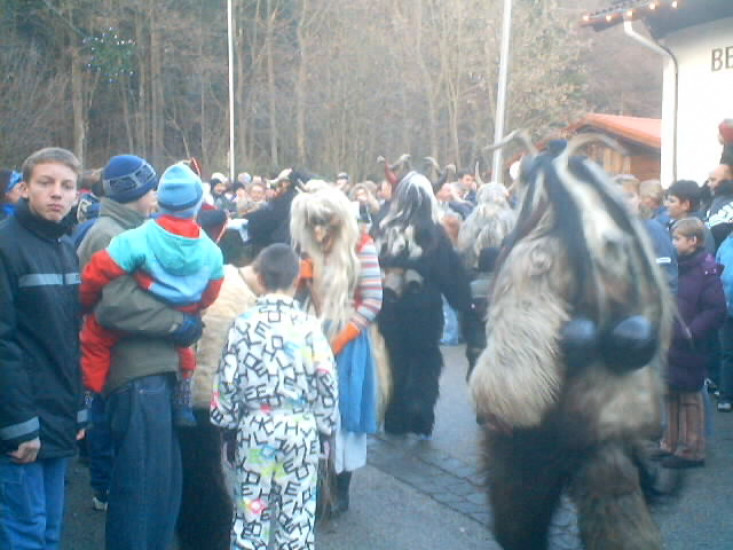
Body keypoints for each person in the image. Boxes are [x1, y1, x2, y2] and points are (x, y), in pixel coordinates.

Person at [77, 154, 204, 550]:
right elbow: (115, 305)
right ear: (136, 191)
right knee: (142, 489)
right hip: (136, 374)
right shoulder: (109, 234)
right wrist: (178, 323)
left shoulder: (131, 231)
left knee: (161, 488)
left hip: (150, 371)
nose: (156, 196)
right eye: (152, 188)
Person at [211, 243, 338, 550]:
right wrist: (325, 427)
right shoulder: (310, 327)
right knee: (296, 517)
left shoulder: (243, 325)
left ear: (260, 278)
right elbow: (326, 380)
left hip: (255, 428)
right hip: (300, 428)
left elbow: (227, 379)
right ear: (297, 281)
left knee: (250, 516)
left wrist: (227, 426)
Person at [80, 163, 224, 426]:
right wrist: (196, 308)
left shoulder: (137, 237)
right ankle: (182, 402)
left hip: (150, 316)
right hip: (170, 325)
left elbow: (100, 269)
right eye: (150, 189)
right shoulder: (210, 248)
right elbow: (214, 284)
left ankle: (90, 394)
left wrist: (85, 298)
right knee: (186, 351)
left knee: (94, 339)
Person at [0, 147, 86, 549]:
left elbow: (69, 336)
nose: (57, 193)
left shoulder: (65, 247)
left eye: (66, 186)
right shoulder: (6, 246)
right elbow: (3, 343)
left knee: (50, 529)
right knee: (24, 532)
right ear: (24, 189)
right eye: (46, 183)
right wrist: (19, 423)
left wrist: (77, 407)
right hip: (21, 419)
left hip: (57, 412)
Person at [290, 184, 383, 516]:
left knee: (344, 414)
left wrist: (342, 338)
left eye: (324, 224)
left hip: (347, 340)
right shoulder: (308, 248)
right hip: (310, 336)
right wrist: (299, 281)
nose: (318, 232)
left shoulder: (362, 247)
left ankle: (339, 490)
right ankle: (314, 486)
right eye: (313, 224)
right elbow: (292, 298)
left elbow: (373, 300)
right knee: (308, 412)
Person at [376, 171, 471, 438]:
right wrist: (464, 303)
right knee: (425, 359)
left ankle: (394, 418)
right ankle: (420, 414)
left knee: (394, 360)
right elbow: (449, 272)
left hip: (390, 308)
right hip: (424, 310)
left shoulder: (383, 228)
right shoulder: (434, 232)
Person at [660, 218, 725, 468]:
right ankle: (670, 443)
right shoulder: (676, 266)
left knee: (689, 396)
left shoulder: (706, 270)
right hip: (672, 341)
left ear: (693, 241)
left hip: (691, 344)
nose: (673, 243)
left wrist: (691, 332)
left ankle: (692, 450)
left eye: (677, 238)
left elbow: (716, 309)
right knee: (671, 392)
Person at [665, 179, 715, 254]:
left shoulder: (698, 230)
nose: (666, 204)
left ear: (686, 205)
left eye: (672, 201)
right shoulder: (675, 224)